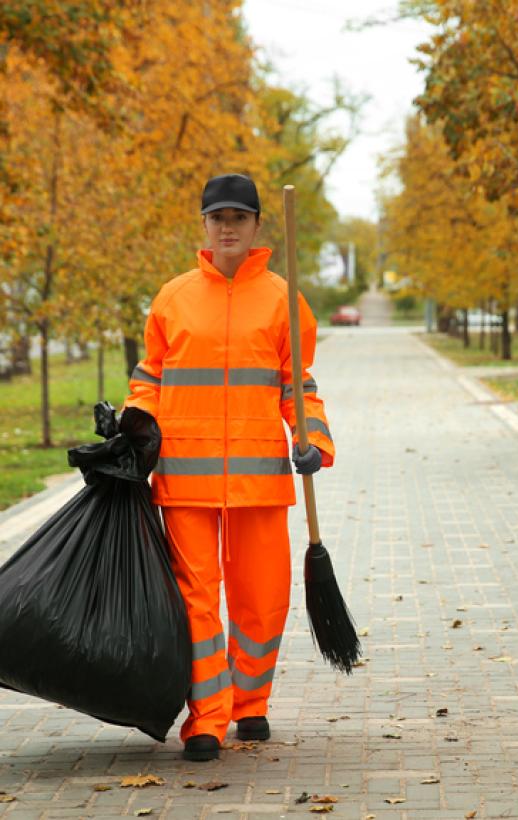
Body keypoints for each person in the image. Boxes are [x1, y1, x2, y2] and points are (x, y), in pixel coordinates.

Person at [122, 173, 334, 762]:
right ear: (204, 225)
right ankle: (207, 718)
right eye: (218, 218)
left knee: (260, 599)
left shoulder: (285, 300)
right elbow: (150, 378)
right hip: (184, 477)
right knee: (195, 599)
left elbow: (299, 386)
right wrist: (133, 423)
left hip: (259, 476)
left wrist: (313, 439)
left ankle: (251, 703)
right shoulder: (173, 298)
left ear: (258, 224)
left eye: (239, 217)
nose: (228, 227)